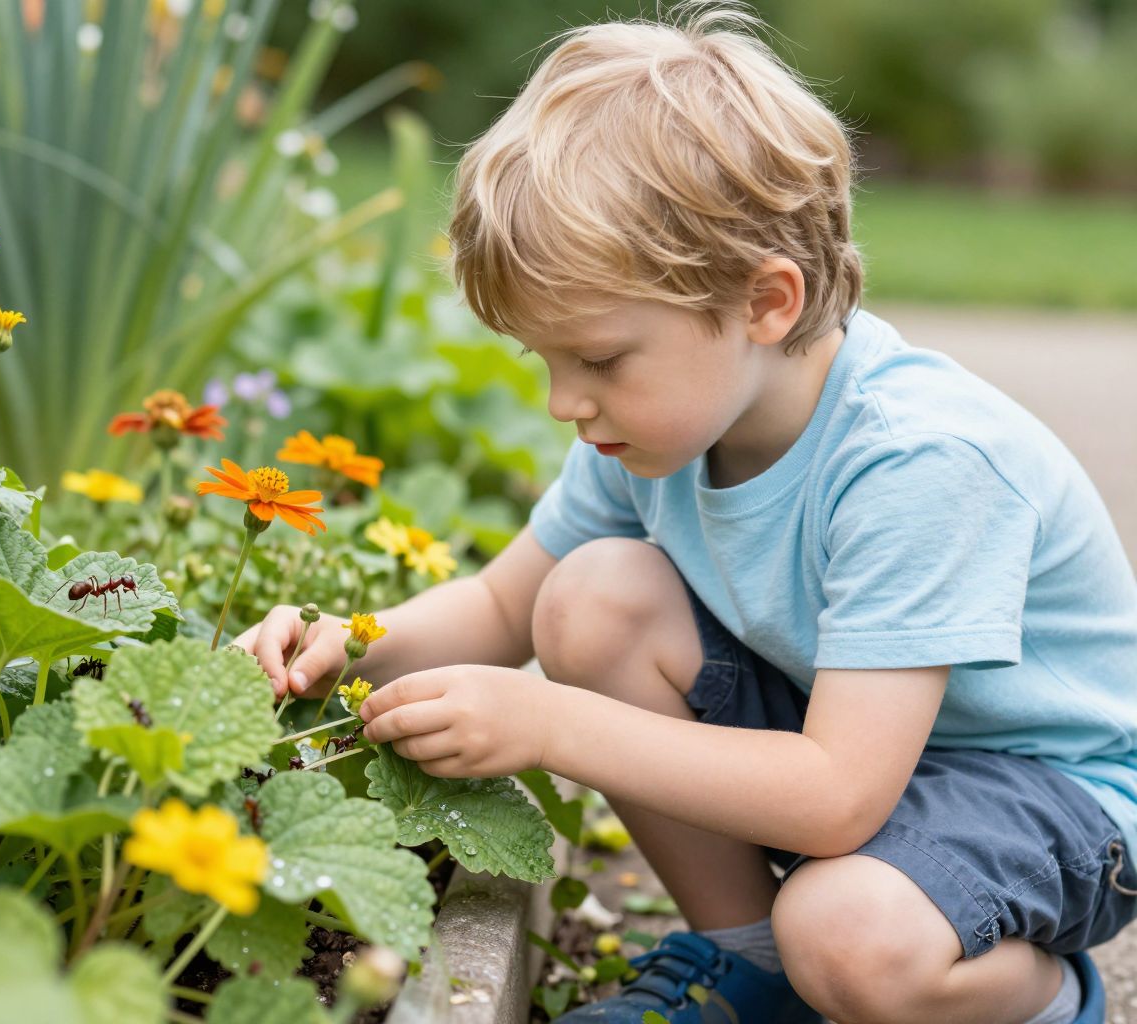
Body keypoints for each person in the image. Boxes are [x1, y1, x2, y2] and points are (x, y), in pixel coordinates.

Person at [234, 5, 1137, 1021]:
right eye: (547, 359)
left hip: (1042, 791)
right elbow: (500, 605)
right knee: (587, 599)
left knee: (848, 935)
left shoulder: (918, 462)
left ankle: (1042, 1000)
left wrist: (549, 722)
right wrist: (339, 648)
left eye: (600, 359)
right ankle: (749, 965)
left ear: (768, 303)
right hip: (853, 737)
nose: (562, 403)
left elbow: (839, 793)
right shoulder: (661, 428)